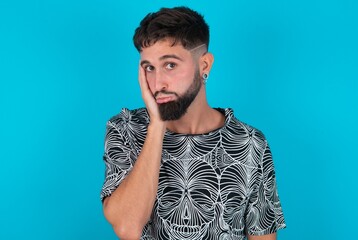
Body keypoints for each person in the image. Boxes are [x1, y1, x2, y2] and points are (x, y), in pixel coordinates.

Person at [101, 6, 286, 240]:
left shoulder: (250, 143)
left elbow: (263, 235)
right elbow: (128, 228)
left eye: (170, 65)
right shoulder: (126, 129)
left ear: (204, 65)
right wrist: (157, 125)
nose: (158, 83)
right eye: (149, 68)